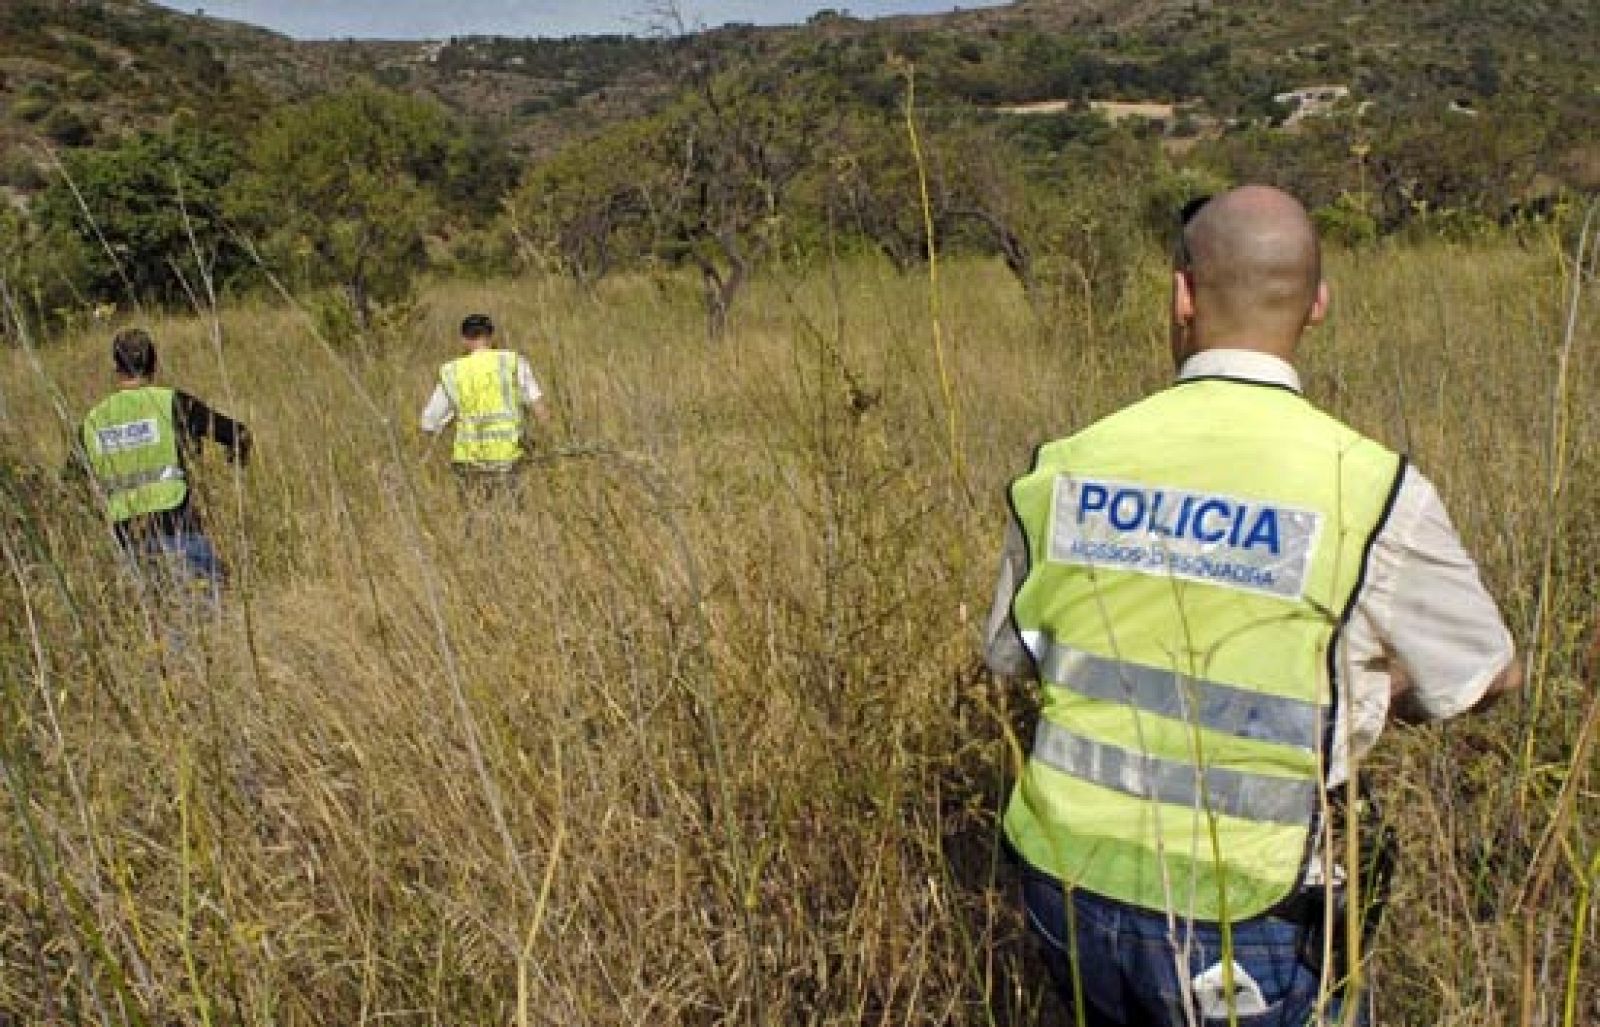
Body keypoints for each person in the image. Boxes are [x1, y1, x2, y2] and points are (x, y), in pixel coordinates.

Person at [984, 185, 1521, 1025]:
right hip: (1247, 914)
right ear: (1317, 305)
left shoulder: (1065, 464)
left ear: (1182, 295)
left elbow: (1013, 658)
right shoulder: (1373, 490)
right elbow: (1486, 675)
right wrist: (1379, 695)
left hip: (1064, 885)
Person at [79, 327, 251, 594]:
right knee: (206, 620)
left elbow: (71, 483)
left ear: (116, 368)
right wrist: (235, 468)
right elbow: (239, 434)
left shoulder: (93, 420)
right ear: (154, 364)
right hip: (181, 532)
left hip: (128, 545)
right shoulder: (172, 403)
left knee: (155, 622)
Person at [420, 313, 550, 492]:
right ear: (491, 336)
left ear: (464, 340)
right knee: (511, 515)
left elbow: (429, 422)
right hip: (508, 459)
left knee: (473, 517)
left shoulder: (452, 371)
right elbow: (540, 410)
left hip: (468, 462)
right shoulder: (513, 362)